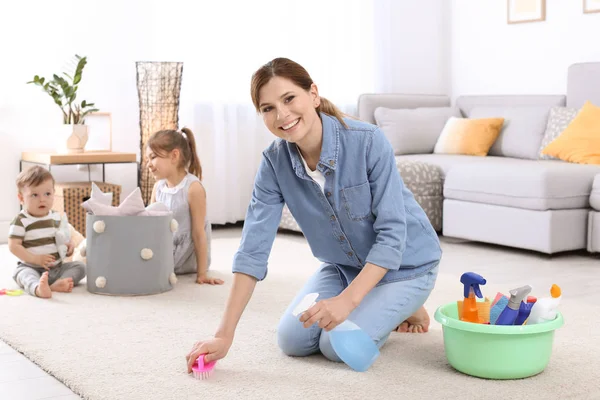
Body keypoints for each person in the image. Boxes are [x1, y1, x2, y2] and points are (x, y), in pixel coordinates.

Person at [186, 57, 442, 371]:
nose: (282, 115)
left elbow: (392, 235)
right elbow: (253, 248)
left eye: (289, 98)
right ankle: (379, 302)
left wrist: (348, 302)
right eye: (268, 108)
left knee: (335, 345)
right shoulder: (273, 163)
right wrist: (223, 336)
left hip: (407, 265)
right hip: (344, 266)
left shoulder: (368, 141)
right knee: (292, 341)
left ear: (314, 94)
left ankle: (405, 305)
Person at [147, 127, 223, 285]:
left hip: (187, 258)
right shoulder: (158, 187)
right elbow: (150, 225)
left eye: (153, 157)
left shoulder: (193, 188)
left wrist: (202, 274)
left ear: (174, 155)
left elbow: (198, 233)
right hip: (166, 250)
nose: (148, 164)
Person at [8, 166, 86, 298]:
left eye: (47, 194)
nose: (42, 199)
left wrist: (69, 247)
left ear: (53, 193)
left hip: (56, 268)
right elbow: (13, 246)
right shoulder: (21, 220)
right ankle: (37, 288)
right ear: (21, 198)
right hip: (31, 267)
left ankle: (57, 283)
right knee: (23, 275)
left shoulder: (56, 217)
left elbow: (63, 238)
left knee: (80, 267)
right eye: (34, 195)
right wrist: (35, 259)